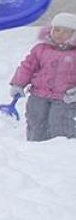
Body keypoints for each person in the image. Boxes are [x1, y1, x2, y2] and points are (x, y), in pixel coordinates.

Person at [10, 12, 76, 141]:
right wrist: (18, 84)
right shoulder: (41, 49)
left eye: (66, 32)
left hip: (64, 98)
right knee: (35, 120)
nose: (60, 34)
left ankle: (60, 149)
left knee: (61, 124)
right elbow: (27, 67)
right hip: (38, 95)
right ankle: (35, 147)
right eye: (57, 30)